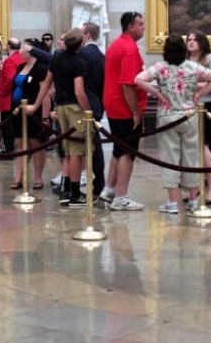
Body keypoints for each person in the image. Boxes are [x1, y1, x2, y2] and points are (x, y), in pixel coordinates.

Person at [134, 35, 211, 213]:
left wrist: (157, 94)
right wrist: (199, 93)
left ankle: (172, 202)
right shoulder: (192, 66)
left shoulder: (160, 67)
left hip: (167, 115)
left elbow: (138, 79)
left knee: (170, 158)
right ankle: (192, 200)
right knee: (192, 157)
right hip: (189, 115)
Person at [38, 29, 92, 206]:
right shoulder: (78, 63)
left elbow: (46, 83)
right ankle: (75, 193)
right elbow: (79, 91)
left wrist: (36, 105)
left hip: (60, 107)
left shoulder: (56, 58)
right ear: (80, 44)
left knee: (68, 150)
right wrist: (88, 112)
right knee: (77, 152)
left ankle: (65, 189)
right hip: (74, 108)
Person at [100, 11, 146, 211]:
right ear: (130, 27)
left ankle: (109, 189)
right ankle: (121, 197)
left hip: (112, 103)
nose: (143, 27)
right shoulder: (129, 49)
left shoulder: (116, 44)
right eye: (141, 24)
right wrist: (135, 112)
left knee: (119, 149)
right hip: (123, 107)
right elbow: (128, 85)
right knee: (128, 152)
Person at [186, 30, 211, 203]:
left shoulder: (210, 59)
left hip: (207, 105)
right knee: (192, 148)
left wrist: (196, 87)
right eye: (189, 39)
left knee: (204, 146)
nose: (191, 42)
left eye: (194, 39)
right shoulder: (185, 61)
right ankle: (196, 186)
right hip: (189, 107)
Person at [10, 39, 51, 190]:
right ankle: (18, 177)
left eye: (23, 48)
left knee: (36, 144)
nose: (20, 51)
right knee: (19, 144)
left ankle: (38, 176)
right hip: (18, 111)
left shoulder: (41, 69)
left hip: (35, 112)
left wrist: (45, 117)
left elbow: (46, 94)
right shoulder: (20, 66)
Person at [80, 22, 107, 198]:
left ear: (87, 36)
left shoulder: (81, 54)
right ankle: (99, 181)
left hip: (83, 105)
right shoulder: (102, 56)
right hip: (97, 103)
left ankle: (74, 181)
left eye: (82, 34)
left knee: (80, 146)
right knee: (96, 145)